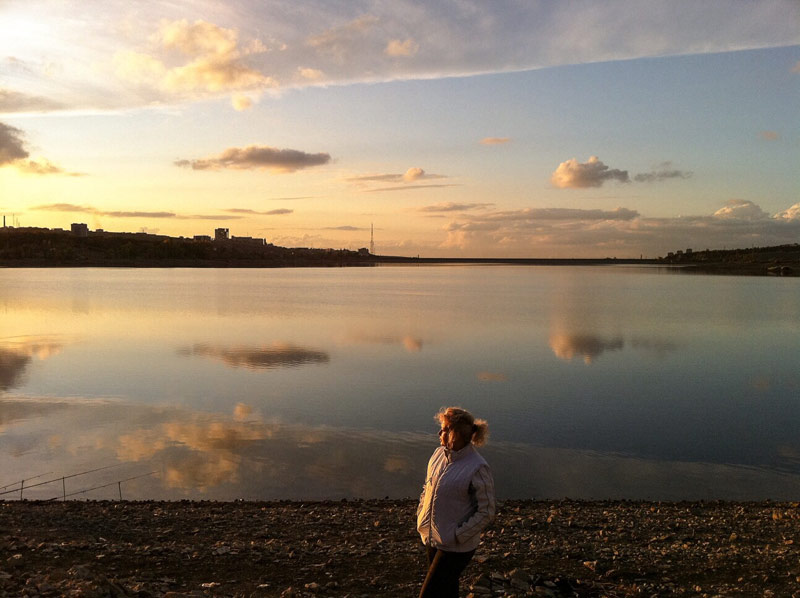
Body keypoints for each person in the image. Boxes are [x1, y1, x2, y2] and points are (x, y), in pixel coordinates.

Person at [416, 406, 496, 598]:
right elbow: (427, 489)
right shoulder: (437, 455)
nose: (439, 432)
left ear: (456, 434)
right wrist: (420, 515)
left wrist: (458, 535)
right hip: (432, 538)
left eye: (444, 429)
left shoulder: (477, 467)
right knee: (447, 590)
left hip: (456, 546)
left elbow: (487, 511)